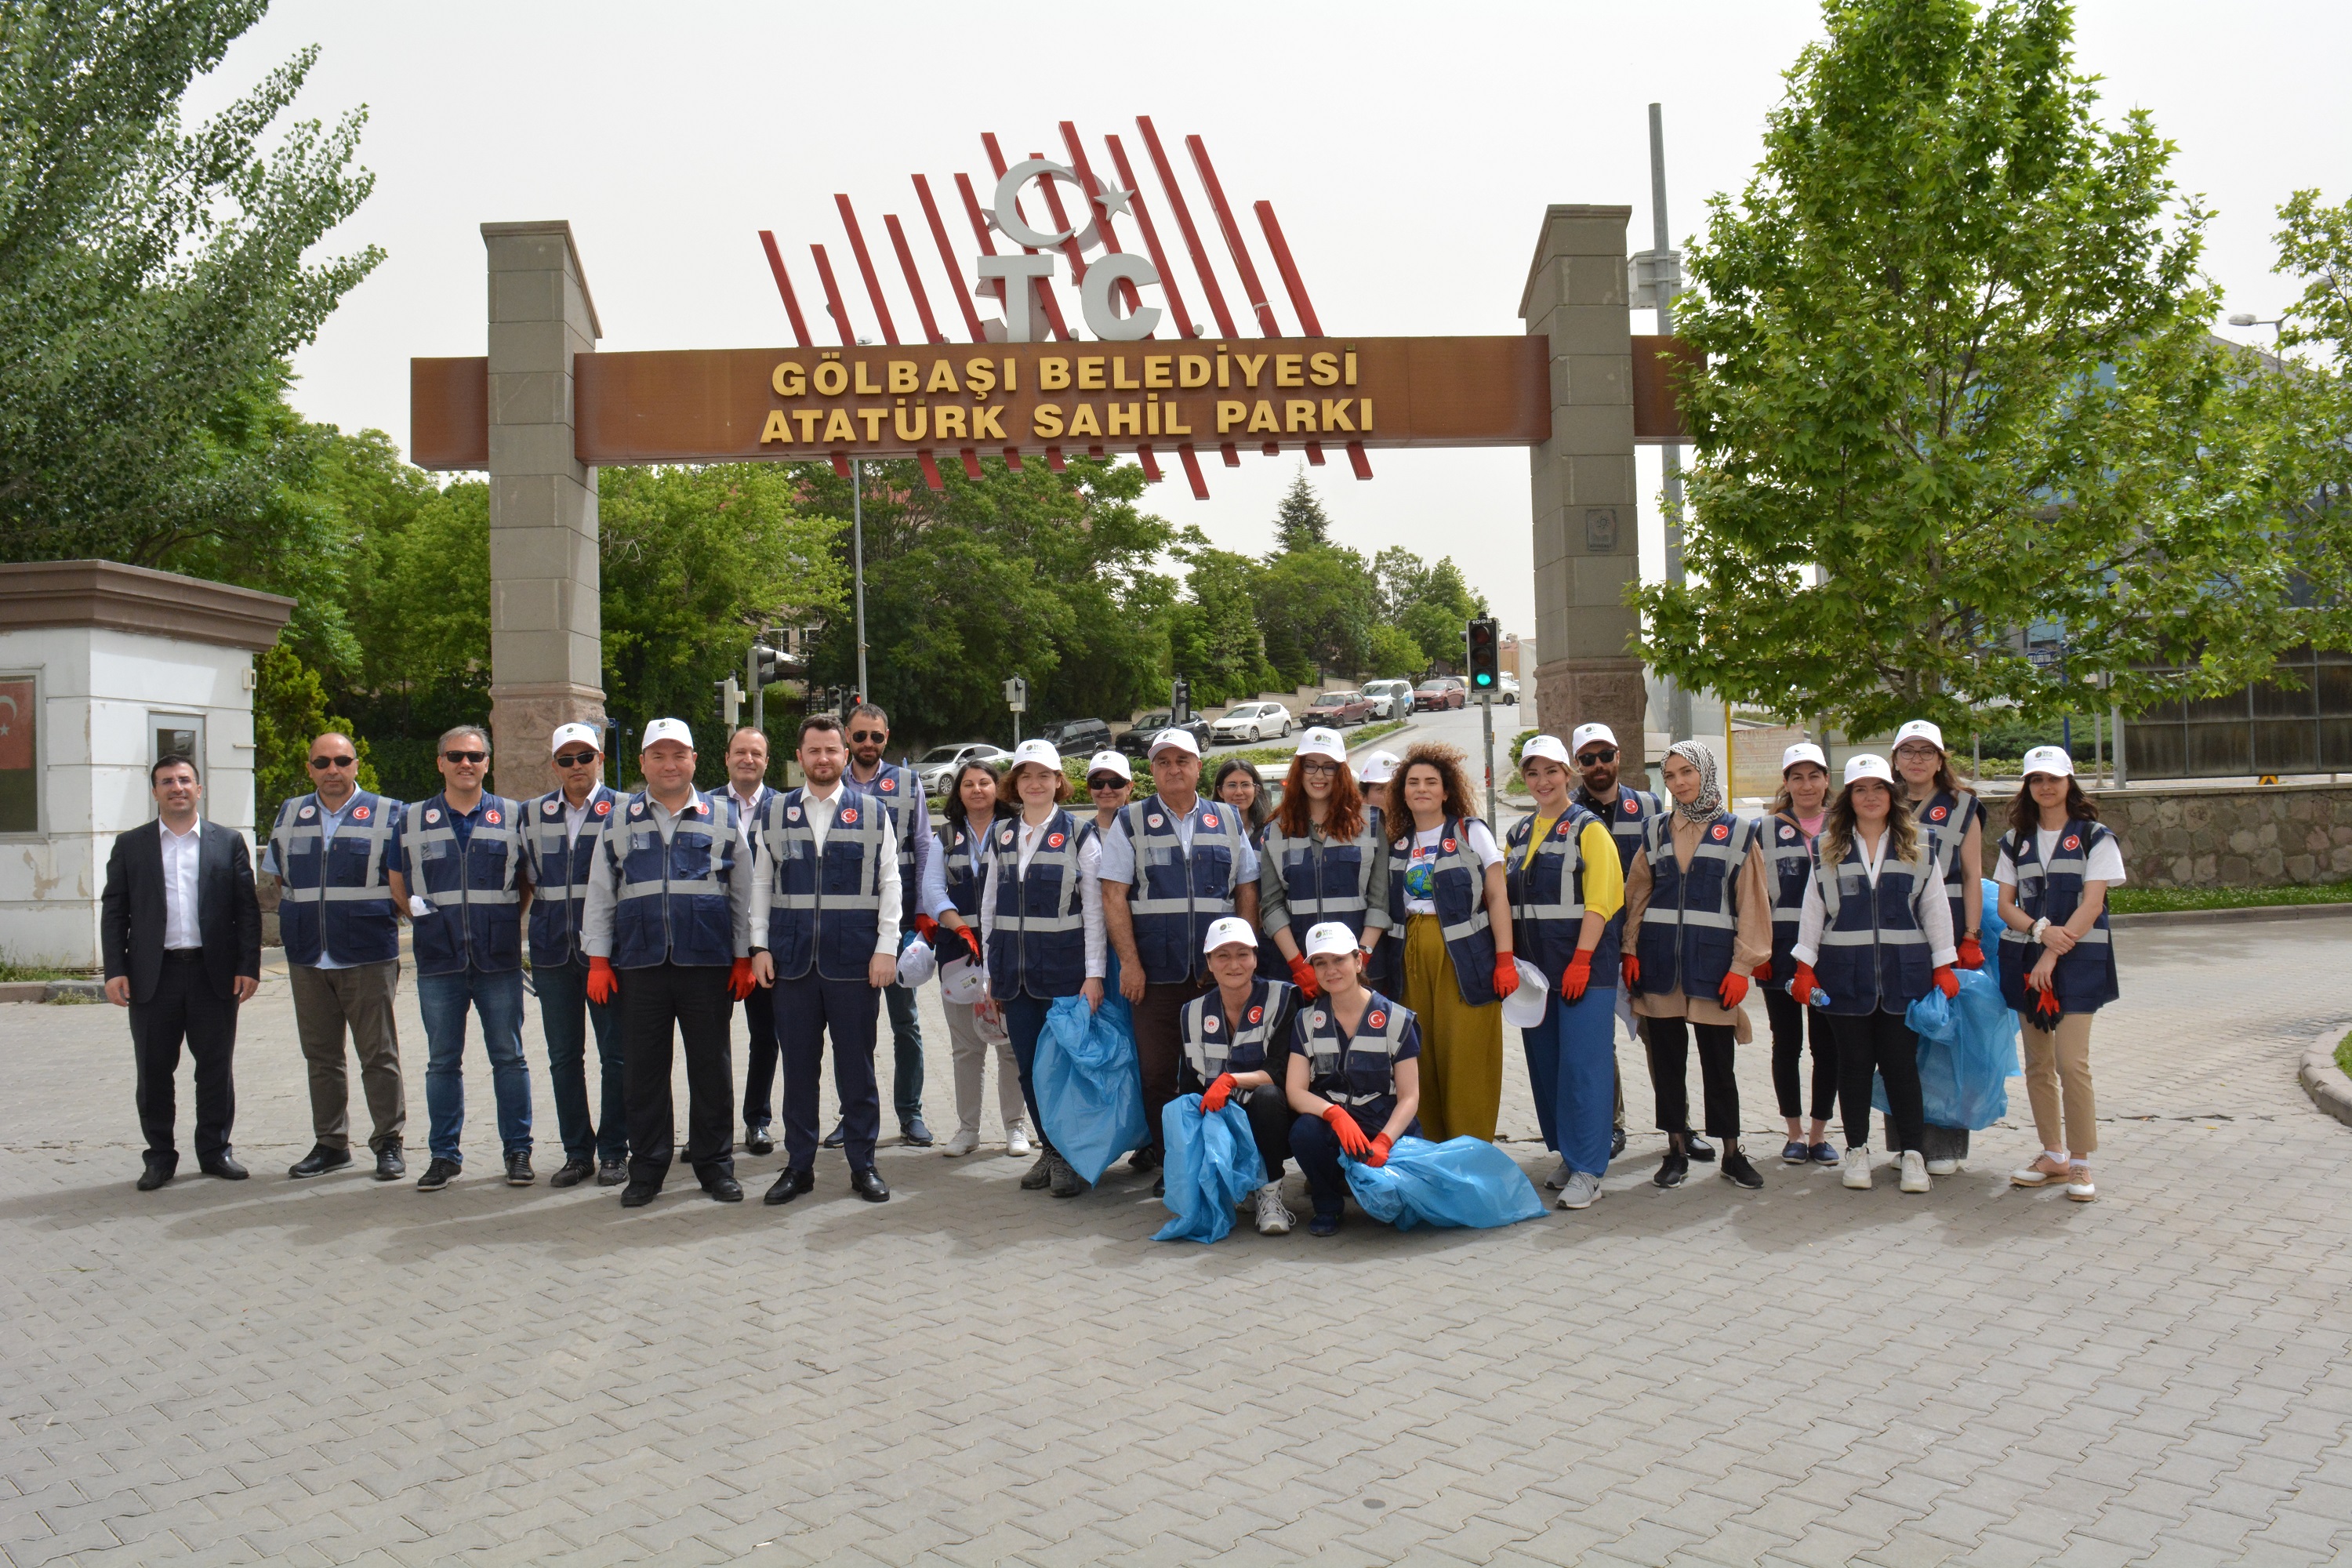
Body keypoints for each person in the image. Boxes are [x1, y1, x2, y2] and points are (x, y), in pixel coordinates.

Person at [581, 718, 756, 1207]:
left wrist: (744, 957)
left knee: (711, 1070)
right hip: (640, 964)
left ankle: (715, 1165)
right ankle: (649, 1168)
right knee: (643, 1073)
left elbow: (742, 894)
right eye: (658, 755)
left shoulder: (722, 816)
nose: (669, 764)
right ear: (642, 764)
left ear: (695, 760)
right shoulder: (618, 818)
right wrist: (598, 960)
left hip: (707, 964)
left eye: (678, 754)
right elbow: (600, 893)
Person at [1787, 755, 1960, 1195]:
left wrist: (1944, 963)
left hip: (1905, 978)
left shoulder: (1920, 844)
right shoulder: (1827, 846)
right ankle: (1857, 1151)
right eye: (1860, 789)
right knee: (1855, 1068)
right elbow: (1813, 908)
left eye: (1878, 788)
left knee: (1902, 1067)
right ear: (1849, 798)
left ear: (1891, 794)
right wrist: (1804, 965)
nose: (1870, 797)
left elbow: (1935, 907)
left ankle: (1914, 1155)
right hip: (1845, 977)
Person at [747, 714, 900, 1206]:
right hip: (792, 963)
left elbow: (890, 883)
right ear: (799, 757)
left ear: (844, 754)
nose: (823, 758)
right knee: (798, 1069)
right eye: (814, 750)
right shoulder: (775, 813)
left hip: (855, 962)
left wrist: (886, 947)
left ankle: (863, 1164)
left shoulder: (873, 812)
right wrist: (759, 946)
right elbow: (759, 884)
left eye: (832, 750)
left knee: (856, 1068)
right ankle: (799, 1166)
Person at [1100, 728, 1260, 1181]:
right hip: (1155, 975)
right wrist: (1130, 963)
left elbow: (1246, 887)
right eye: (1164, 762)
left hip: (1218, 976)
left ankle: (1227, 1163)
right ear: (1152, 770)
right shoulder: (1129, 821)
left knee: (1226, 1073)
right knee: (1157, 1074)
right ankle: (1175, 1168)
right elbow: (1113, 895)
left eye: (1182, 761)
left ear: (1198, 767)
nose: (1174, 769)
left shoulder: (1228, 819)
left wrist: (1243, 953)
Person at [102, 754, 261, 1189]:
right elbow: (115, 911)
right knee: (154, 1071)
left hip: (214, 975)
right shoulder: (131, 845)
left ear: (199, 789)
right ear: (155, 791)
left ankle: (214, 1151)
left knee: (214, 1068)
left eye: (185, 780)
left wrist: (249, 965)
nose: (177, 787)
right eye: (167, 781)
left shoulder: (226, 842)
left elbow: (246, 911)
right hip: (154, 976)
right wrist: (115, 969)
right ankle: (159, 1157)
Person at [387, 725, 534, 1194]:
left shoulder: (513, 816)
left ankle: (518, 1151)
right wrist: (418, 918)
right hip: (438, 959)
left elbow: (525, 881)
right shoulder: (412, 819)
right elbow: (396, 878)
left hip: (498, 959)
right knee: (442, 1062)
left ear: (488, 762)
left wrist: (506, 919)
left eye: (474, 755)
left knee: (509, 1058)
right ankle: (444, 1156)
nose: (465, 763)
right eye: (455, 756)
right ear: (441, 763)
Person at [1623, 740, 1771, 1190]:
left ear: (1705, 773)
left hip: (1713, 970)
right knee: (1667, 1065)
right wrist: (1630, 949)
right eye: (1670, 776)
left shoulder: (1740, 832)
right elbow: (1638, 895)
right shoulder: (1654, 830)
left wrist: (1742, 968)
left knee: (1718, 1067)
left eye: (1687, 772)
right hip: (1660, 966)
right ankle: (1676, 1150)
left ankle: (1731, 1152)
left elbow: (1752, 904)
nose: (1679, 782)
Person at [262, 731, 406, 1181]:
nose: (332, 771)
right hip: (307, 956)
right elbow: (277, 882)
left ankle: (389, 1143)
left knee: (378, 1055)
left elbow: (406, 883)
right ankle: (330, 1144)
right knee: (321, 1057)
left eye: (341, 761)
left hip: (366, 954)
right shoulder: (291, 813)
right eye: (322, 763)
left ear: (356, 765)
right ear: (309, 768)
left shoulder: (389, 813)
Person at [979, 739, 1107, 1196]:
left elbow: (1095, 911)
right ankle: (1050, 1151)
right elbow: (990, 906)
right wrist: (992, 969)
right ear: (1015, 784)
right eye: (1026, 776)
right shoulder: (1001, 834)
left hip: (1065, 974)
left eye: (1044, 775)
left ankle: (1069, 1155)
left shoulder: (1079, 835)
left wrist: (1094, 975)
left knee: (1064, 1070)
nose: (1035, 784)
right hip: (1014, 975)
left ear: (1058, 781)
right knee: (1030, 1069)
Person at [1502, 734, 1624, 1211]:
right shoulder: (1517, 834)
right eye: (1533, 773)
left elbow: (1604, 898)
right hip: (1537, 976)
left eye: (1551, 771)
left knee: (1583, 1068)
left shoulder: (1588, 828)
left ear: (1567, 776)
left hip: (1583, 971)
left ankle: (1591, 1168)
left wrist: (1581, 959)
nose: (1542, 781)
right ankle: (1571, 1155)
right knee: (1548, 1067)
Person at [1995, 746, 2120, 1203]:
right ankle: (2053, 1155)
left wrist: (2051, 952)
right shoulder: (2014, 841)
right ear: (2027, 787)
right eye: (2035, 780)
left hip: (2079, 962)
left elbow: (2093, 904)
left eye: (2053, 778)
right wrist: (2039, 932)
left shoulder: (2096, 837)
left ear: (2070, 782)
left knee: (2072, 1063)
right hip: (2026, 960)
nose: (2045, 787)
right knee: (2039, 1065)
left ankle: (2082, 1163)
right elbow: (2006, 904)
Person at [1385, 742, 1517, 1142]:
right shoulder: (1396, 843)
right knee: (1417, 1057)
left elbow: (1497, 898)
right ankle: (1431, 1155)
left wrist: (1505, 958)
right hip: (1409, 958)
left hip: (1465, 960)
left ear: (1446, 791)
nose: (1421, 789)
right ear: (1402, 793)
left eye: (1431, 782)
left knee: (1466, 1059)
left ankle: (1471, 1157)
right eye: (1412, 783)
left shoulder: (1470, 832)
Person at [521, 723, 626, 1187]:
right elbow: (523, 879)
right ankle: (577, 1152)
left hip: (609, 953)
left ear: (599, 757)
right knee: (564, 1057)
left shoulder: (625, 808)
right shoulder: (532, 813)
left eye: (584, 756)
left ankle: (615, 1151)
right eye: (566, 760)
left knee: (616, 1056)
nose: (576, 766)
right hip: (552, 953)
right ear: (554, 766)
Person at [1284, 922, 1423, 1236]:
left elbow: (1410, 1096)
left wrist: (1385, 1140)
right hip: (1336, 1120)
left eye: (1339, 960)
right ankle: (1328, 1203)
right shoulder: (1306, 1020)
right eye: (1321, 963)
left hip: (1383, 1119)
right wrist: (1333, 1115)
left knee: (1402, 1208)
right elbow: (1294, 1090)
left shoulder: (1397, 1018)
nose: (1331, 970)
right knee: (1304, 1132)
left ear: (1358, 962)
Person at [1893, 718, 1987, 1175]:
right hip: (1892, 929)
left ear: (1940, 759)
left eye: (1926, 751)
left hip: (1946, 925)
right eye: (1908, 750)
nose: (1916, 759)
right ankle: (1906, 1141)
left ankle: (1946, 1144)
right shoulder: (1878, 799)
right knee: (1900, 1038)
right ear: (1895, 758)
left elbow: (1972, 876)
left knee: (1946, 1039)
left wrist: (1970, 937)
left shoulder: (1963, 806)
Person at [838, 702, 933, 1147]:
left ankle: (910, 1113)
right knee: (853, 1029)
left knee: (906, 1022)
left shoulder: (907, 783)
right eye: (860, 737)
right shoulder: (829, 780)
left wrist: (926, 913)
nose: (869, 744)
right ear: (846, 737)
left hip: (899, 922)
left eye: (876, 737)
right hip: (848, 924)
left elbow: (924, 847)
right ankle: (851, 1115)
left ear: (886, 737)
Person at [924, 757, 1028, 1158]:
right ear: (959, 792)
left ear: (997, 788)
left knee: (1009, 1047)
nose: (977, 790)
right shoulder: (945, 837)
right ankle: (968, 1130)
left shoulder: (1015, 832)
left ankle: (1015, 1128)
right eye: (969, 784)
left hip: (1006, 952)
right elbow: (932, 890)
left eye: (985, 782)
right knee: (967, 1047)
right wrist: (960, 928)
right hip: (958, 955)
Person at [1572, 722, 1664, 1162]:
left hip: (1642, 946)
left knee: (1660, 1038)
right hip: (1591, 947)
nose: (1598, 766)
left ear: (1618, 756)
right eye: (1588, 759)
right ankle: (1609, 1126)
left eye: (1604, 755)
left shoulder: (1649, 807)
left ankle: (1677, 1128)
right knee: (1597, 1043)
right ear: (1577, 766)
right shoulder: (1568, 815)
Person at [1179, 917, 1302, 1235]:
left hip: (1277, 1118)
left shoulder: (1284, 998)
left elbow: (1280, 1071)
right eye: (1223, 955)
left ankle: (1270, 1191)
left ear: (1255, 958)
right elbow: (1189, 1086)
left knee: (1267, 1096)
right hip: (1224, 1122)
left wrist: (1231, 1080)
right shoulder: (1192, 1013)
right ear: (1208, 961)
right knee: (1182, 1109)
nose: (1234, 964)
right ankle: (1231, 1182)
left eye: (1242, 954)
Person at [1259, 728, 1391, 1001]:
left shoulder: (1371, 823)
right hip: (1301, 972)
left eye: (1329, 767)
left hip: (1360, 970)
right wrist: (1298, 965)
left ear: (1341, 772)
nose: (1319, 775)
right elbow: (1271, 906)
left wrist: (1360, 960)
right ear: (1299, 769)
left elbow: (1380, 901)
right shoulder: (1275, 829)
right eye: (1311, 765)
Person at [1759, 742, 1839, 1167]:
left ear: (1827, 780)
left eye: (1814, 776)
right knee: (1785, 1043)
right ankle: (1792, 1132)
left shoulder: (1846, 826)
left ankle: (1820, 1133)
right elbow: (1752, 895)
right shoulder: (1765, 829)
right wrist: (1758, 949)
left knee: (1827, 1045)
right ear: (1786, 783)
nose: (1806, 785)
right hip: (1780, 952)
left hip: (1833, 953)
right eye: (1797, 777)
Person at [717, 727, 783, 1156]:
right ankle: (712, 1128)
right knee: (708, 1042)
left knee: (766, 1036)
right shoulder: (700, 805)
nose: (748, 759)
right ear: (726, 758)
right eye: (740, 752)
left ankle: (757, 1121)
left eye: (756, 753)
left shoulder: (784, 808)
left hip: (765, 943)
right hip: (713, 943)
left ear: (766, 761)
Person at [1213, 756, 1286, 983]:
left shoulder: (1272, 831)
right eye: (1232, 785)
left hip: (1266, 933)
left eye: (1245, 785)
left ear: (1256, 789)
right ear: (1220, 791)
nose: (1239, 792)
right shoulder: (1209, 832)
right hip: (1223, 928)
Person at [1356, 750, 1403, 999]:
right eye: (1380, 789)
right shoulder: (1352, 838)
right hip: (1371, 953)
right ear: (1363, 796)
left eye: (1394, 789)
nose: (1389, 797)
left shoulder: (1419, 833)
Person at [1079, 750, 1134, 846]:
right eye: (1098, 783)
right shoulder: (1080, 835)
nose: (1106, 790)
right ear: (1089, 789)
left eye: (1115, 783)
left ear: (1129, 787)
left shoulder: (1143, 831)